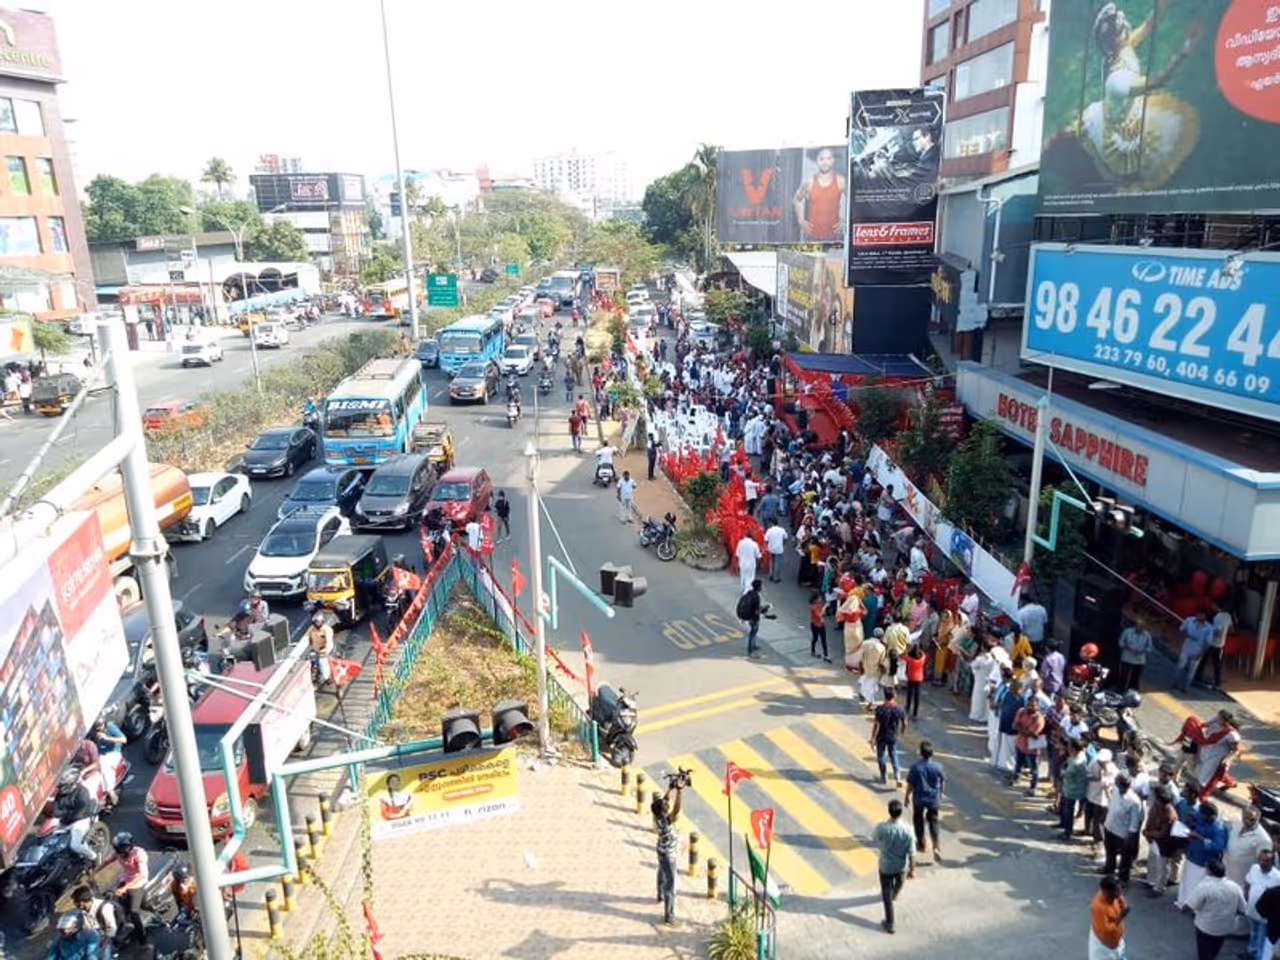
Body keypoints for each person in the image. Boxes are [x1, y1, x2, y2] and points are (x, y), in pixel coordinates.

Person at [1186, 857, 1248, 960]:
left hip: (1204, 928)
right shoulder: (1235, 887)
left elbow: (1188, 906)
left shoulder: (1204, 887)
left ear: (1209, 871)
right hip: (1224, 928)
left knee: (1203, 953)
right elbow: (1243, 909)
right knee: (1215, 950)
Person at [871, 798, 914, 935]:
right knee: (900, 882)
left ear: (889, 812)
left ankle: (890, 923)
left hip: (886, 866)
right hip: (902, 865)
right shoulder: (908, 830)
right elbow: (912, 852)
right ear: (901, 813)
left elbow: (874, 838)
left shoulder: (882, 827)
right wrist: (912, 869)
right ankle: (895, 893)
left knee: (886, 894)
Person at [1178, 800, 1229, 910]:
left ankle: (1195, 908)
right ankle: (1183, 902)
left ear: (1210, 816)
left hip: (1203, 862)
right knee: (1187, 882)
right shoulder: (1200, 816)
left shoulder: (1219, 828)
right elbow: (1193, 824)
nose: (1200, 817)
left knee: (1197, 886)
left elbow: (1218, 847)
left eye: (1202, 815)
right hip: (1191, 855)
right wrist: (1189, 822)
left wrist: (1200, 838)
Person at [651, 774, 685, 925]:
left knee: (661, 871)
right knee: (671, 884)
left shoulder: (656, 817)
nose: (667, 804)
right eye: (666, 807)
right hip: (669, 855)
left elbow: (663, 802)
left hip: (660, 850)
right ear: (664, 812)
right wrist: (679, 791)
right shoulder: (665, 822)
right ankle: (669, 916)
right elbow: (676, 809)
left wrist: (670, 788)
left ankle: (659, 894)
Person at [792, 146, 846, 241]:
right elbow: (797, 200)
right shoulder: (809, 181)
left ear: (833, 160)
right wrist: (800, 220)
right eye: (822, 159)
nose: (825, 162)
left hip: (834, 238)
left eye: (828, 159)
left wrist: (844, 220)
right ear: (817, 160)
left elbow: (853, 199)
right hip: (812, 237)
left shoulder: (840, 181)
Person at [904, 740, 945, 862]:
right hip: (933, 798)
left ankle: (921, 844)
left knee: (918, 820)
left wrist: (906, 797)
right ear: (932, 754)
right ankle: (936, 846)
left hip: (919, 799)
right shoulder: (938, 767)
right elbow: (942, 781)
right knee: (934, 822)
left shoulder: (916, 767)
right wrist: (941, 793)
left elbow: (911, 784)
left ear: (920, 753)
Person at [103, 832, 148, 944]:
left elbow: (141, 875)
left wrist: (124, 888)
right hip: (125, 879)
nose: (121, 854)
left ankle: (142, 937)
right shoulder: (118, 853)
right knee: (114, 906)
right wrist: (93, 873)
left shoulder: (139, 854)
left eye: (122, 851)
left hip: (137, 883)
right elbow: (107, 861)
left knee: (134, 912)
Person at [1101, 772, 1143, 884]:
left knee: (1125, 858)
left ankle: (1123, 879)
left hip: (1122, 833)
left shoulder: (1134, 801)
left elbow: (1134, 823)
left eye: (1118, 784)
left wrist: (1129, 838)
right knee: (1110, 852)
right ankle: (1109, 871)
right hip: (1109, 827)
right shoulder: (1115, 790)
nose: (1117, 786)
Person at [1227, 806, 1274, 889]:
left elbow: (1263, 866)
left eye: (1252, 819)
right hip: (1226, 874)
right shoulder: (1237, 825)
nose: (1247, 821)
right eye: (1245, 818)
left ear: (1258, 819)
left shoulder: (1263, 839)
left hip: (1241, 883)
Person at [1247, 848, 1280, 960]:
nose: (1262, 863)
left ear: (1272, 862)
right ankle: (1251, 952)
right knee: (1253, 934)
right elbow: (1248, 883)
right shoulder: (1254, 868)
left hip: (1265, 917)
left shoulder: (1278, 877)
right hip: (1252, 911)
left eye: (1266, 861)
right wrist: (1247, 898)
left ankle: (1258, 957)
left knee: (1262, 940)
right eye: (1260, 860)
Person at [871, 689, 907, 787]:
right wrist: (902, 733)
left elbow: (876, 725)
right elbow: (904, 723)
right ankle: (897, 775)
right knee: (893, 755)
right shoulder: (899, 709)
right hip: (893, 736)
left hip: (881, 736)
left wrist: (873, 739)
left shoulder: (880, 709)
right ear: (894, 696)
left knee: (881, 756)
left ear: (885, 696)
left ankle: (884, 776)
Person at [1011, 695, 1046, 795]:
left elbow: (1033, 733)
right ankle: (1015, 778)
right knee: (1018, 763)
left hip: (1032, 748)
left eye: (1033, 705)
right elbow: (1014, 725)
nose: (1030, 707)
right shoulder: (1021, 711)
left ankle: (1033, 787)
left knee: (1033, 769)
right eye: (1029, 704)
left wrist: (1021, 728)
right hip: (1020, 743)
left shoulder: (1039, 718)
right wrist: (1024, 730)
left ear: (1037, 706)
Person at [71, 885, 117, 958]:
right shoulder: (82, 910)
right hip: (92, 935)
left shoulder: (105, 908)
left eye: (80, 904)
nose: (79, 907)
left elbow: (112, 929)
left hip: (105, 936)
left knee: (104, 954)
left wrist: (103, 944)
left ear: (84, 901)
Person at [1090, 875, 1128, 960]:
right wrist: (1121, 916)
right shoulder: (1098, 907)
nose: (1119, 894)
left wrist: (1123, 903)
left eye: (1120, 890)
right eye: (1116, 891)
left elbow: (1121, 899)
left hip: (1117, 941)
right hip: (1105, 948)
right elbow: (1106, 930)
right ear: (1106, 892)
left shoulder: (1114, 895)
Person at [1175, 610, 1214, 692]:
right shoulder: (1189, 620)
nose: (1199, 616)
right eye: (1198, 615)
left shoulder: (1209, 628)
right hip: (1186, 648)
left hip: (1197, 650)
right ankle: (1176, 683)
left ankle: (1186, 686)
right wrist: (1187, 635)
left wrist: (1201, 653)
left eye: (1201, 615)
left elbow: (1208, 643)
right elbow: (1181, 630)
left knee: (1192, 670)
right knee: (1180, 666)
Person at [1198, 604, 1234, 690]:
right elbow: (1231, 629)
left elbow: (1217, 631)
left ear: (1216, 605)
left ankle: (1198, 677)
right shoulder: (1228, 616)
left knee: (1203, 659)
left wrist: (1208, 633)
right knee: (1216, 662)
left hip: (1212, 642)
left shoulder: (1217, 617)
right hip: (1221, 643)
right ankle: (1217, 680)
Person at [1060, 738, 1090, 841]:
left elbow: (1066, 774)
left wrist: (1063, 770)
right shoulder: (1081, 755)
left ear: (1073, 748)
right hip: (1071, 787)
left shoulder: (1076, 763)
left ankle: (1067, 832)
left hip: (1072, 790)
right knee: (1066, 808)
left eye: (1069, 746)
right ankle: (1064, 825)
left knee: (1068, 810)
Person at [1117, 617, 1153, 692]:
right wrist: (1127, 647)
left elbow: (1149, 648)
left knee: (1135, 678)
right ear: (1136, 625)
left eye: (1143, 627)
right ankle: (1120, 690)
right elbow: (1121, 642)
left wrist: (1143, 650)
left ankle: (1131, 692)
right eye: (1139, 626)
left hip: (1139, 661)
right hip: (1127, 658)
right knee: (1123, 676)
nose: (1140, 628)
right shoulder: (1127, 632)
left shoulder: (1147, 635)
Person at [738, 579, 767, 660]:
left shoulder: (750, 593)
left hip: (749, 617)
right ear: (759, 588)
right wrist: (763, 610)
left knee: (753, 632)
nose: (762, 587)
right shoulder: (757, 597)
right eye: (761, 586)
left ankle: (753, 646)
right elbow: (757, 611)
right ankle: (750, 651)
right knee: (753, 633)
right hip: (754, 618)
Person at [307, 613, 334, 685]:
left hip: (325, 650)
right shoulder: (312, 629)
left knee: (323, 662)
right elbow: (308, 637)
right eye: (316, 622)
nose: (317, 624)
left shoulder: (327, 629)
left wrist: (326, 651)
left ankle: (327, 678)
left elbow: (329, 642)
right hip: (316, 649)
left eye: (319, 622)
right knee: (310, 661)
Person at [902, 642, 927, 719]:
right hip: (919, 678)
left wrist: (907, 649)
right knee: (917, 696)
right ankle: (915, 712)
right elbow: (923, 654)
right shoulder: (922, 658)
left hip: (911, 677)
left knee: (909, 693)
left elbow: (902, 656)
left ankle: (907, 708)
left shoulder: (910, 659)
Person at [808, 592, 829, 661]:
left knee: (824, 640)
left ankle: (826, 655)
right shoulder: (813, 607)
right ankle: (813, 650)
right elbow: (819, 615)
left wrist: (824, 610)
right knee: (815, 638)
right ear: (815, 600)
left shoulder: (819, 604)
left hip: (821, 624)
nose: (820, 599)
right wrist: (825, 607)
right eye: (818, 598)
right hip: (815, 625)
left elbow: (823, 614)